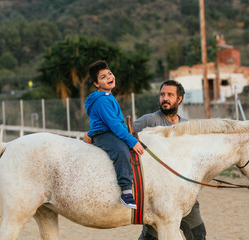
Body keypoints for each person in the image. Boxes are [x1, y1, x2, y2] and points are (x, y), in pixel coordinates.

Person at [134, 80, 206, 240]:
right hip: (159, 198)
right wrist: (94, 133)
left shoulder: (188, 127)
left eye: (170, 95)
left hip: (185, 196)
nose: (165, 98)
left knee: (198, 234)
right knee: (150, 237)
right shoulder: (149, 121)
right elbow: (125, 133)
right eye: (162, 95)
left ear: (179, 99)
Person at [84, 60, 144, 209]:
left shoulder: (108, 96)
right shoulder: (102, 101)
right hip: (103, 133)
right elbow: (114, 125)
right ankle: (126, 191)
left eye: (109, 74)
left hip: (110, 130)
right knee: (121, 150)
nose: (109, 77)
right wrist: (131, 141)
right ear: (96, 84)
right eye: (103, 77)